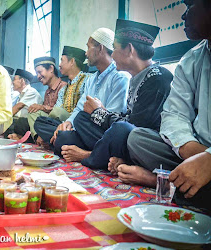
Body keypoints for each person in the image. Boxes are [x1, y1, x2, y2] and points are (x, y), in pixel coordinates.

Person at [113, 0, 211, 212]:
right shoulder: (192, 59)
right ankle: (184, 183)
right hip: (189, 152)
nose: (183, 17)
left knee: (124, 131)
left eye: (189, 7)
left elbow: (132, 121)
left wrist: (209, 159)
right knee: (138, 139)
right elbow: (174, 115)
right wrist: (191, 151)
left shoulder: (157, 77)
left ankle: (162, 181)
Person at [65, 19, 172, 169]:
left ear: (129, 50)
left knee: (121, 130)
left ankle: (90, 156)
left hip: (146, 144)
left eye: (114, 49)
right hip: (123, 136)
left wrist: (99, 112)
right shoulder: (136, 78)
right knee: (82, 118)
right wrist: (99, 113)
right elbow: (127, 119)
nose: (112, 55)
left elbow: (135, 127)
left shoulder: (158, 78)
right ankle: (106, 155)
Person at [52, 28, 130, 162]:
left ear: (100, 48)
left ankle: (89, 154)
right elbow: (79, 107)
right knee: (63, 137)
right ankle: (97, 153)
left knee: (80, 119)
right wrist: (68, 123)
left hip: (105, 133)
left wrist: (94, 112)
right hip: (89, 131)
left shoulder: (120, 77)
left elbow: (114, 120)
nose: (86, 54)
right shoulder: (92, 79)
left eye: (88, 48)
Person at [33, 46, 90, 146]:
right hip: (61, 123)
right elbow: (57, 110)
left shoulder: (87, 80)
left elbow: (81, 109)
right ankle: (55, 137)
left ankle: (52, 138)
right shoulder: (65, 88)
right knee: (38, 120)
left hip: (77, 122)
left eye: (62, 61)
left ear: (72, 61)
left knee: (57, 112)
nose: (59, 65)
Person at [7, 56, 67, 143]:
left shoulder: (63, 87)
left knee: (24, 120)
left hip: (61, 124)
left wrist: (42, 108)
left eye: (40, 72)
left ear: (51, 68)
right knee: (29, 117)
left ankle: (32, 138)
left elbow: (60, 113)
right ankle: (37, 138)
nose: (38, 76)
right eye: (37, 73)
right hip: (46, 124)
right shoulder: (47, 92)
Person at [3, 69, 43, 138]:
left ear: (22, 81)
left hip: (31, 123)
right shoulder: (21, 94)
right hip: (21, 122)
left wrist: (1, 118)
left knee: (17, 122)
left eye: (14, 80)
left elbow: (17, 107)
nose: (12, 83)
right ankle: (15, 136)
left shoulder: (31, 92)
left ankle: (20, 137)